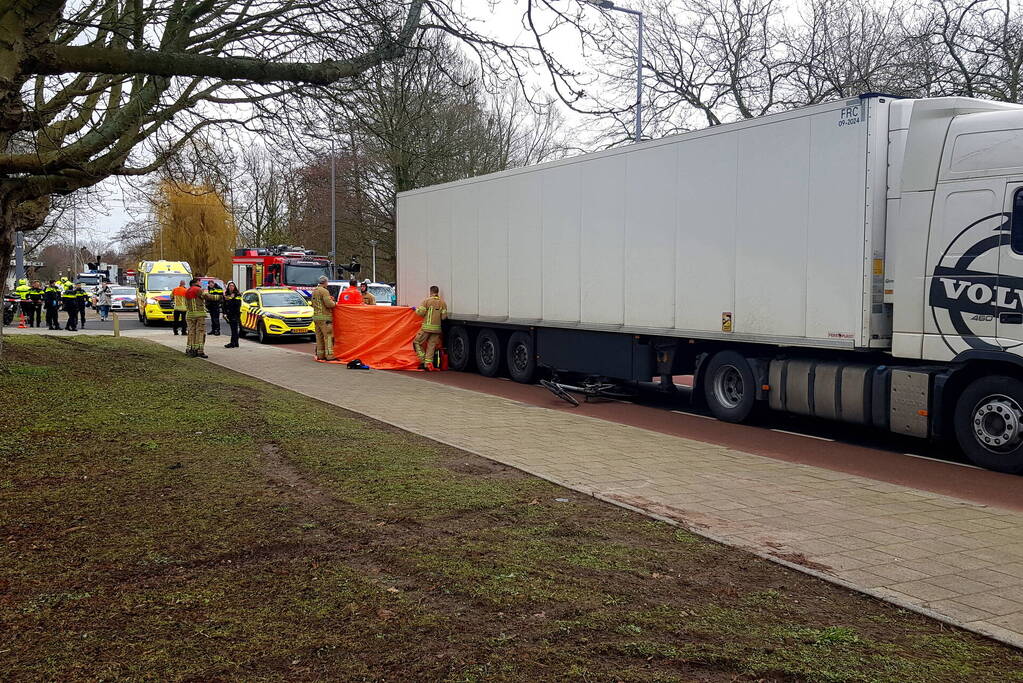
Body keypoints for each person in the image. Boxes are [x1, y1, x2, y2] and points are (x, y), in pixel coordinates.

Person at [413, 285, 448, 371]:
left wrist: (415, 309)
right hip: (437, 329)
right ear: (437, 292)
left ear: (431, 292)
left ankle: (422, 361)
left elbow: (420, 313)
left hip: (426, 328)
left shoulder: (426, 301)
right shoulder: (443, 303)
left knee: (416, 342)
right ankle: (427, 364)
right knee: (431, 346)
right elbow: (444, 317)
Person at [310, 275, 338, 362]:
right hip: (325, 318)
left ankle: (320, 355)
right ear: (325, 282)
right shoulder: (324, 291)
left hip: (316, 317)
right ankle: (329, 355)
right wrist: (334, 303)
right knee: (328, 337)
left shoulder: (314, 291)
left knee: (319, 337)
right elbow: (329, 304)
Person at [184, 278, 212, 358]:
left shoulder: (187, 291)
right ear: (196, 282)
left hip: (189, 315)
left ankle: (190, 349)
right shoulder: (198, 290)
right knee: (200, 332)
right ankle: (199, 351)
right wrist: (219, 297)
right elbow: (207, 297)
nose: (201, 283)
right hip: (199, 315)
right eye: (200, 281)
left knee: (191, 332)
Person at [222, 281, 242, 348]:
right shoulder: (226, 294)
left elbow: (237, 304)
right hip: (229, 314)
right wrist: (224, 312)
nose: (231, 287)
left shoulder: (237, 295)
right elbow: (224, 304)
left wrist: (232, 298)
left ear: (234, 287)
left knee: (234, 329)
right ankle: (236, 343)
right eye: (230, 286)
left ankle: (232, 343)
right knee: (233, 329)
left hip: (235, 314)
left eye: (232, 286)